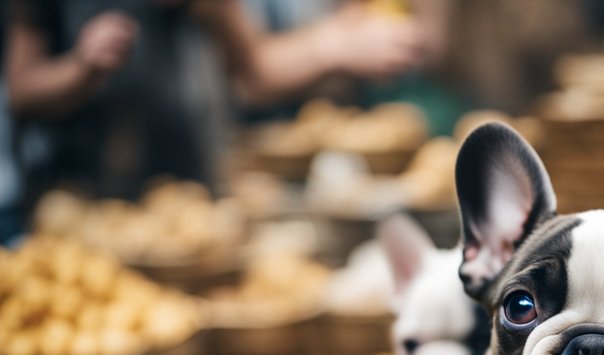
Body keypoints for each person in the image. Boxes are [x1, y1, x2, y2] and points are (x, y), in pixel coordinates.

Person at [4, 0, 445, 204]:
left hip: (190, 190)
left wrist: (337, 46)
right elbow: (22, 89)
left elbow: (255, 70)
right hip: (75, 200)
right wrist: (82, 68)